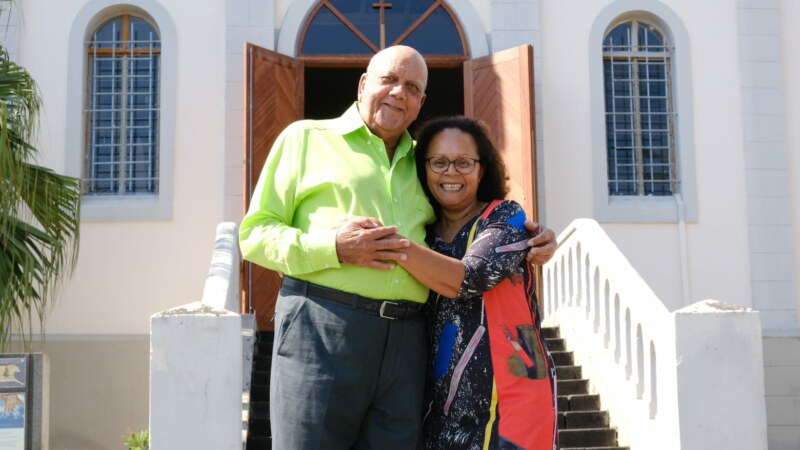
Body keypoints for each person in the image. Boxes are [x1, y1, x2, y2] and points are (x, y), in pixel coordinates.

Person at [239, 45, 556, 450]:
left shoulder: (421, 160)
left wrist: (532, 236)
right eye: (389, 79)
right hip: (324, 324)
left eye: (412, 87)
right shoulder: (305, 139)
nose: (398, 93)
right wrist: (333, 247)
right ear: (363, 83)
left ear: (421, 101)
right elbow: (255, 235)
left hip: (408, 341)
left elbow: (466, 223)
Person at [393, 116, 558, 450]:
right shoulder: (421, 233)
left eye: (464, 162)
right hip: (436, 407)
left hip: (511, 397)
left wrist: (392, 246)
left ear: (482, 169)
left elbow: (470, 278)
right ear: (423, 169)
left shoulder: (506, 217)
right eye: (438, 162)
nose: (451, 172)